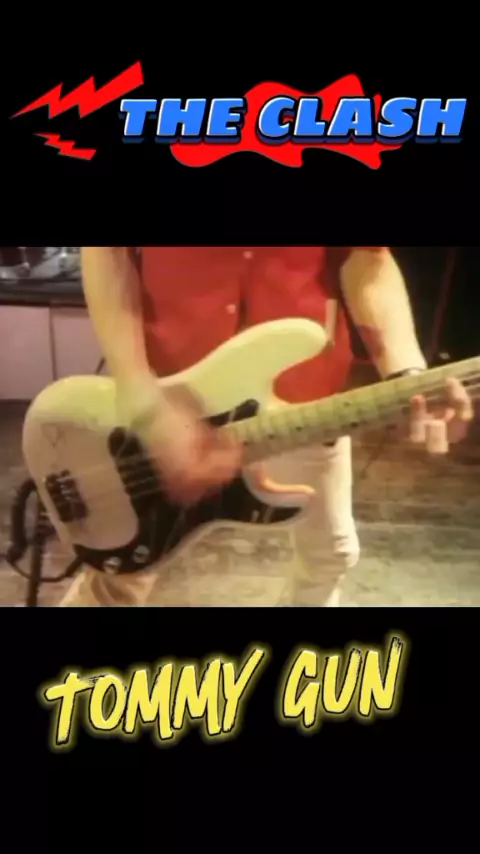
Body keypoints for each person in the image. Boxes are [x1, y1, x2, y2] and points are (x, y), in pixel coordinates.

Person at [60, 247, 473, 607]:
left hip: (302, 397)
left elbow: (366, 256)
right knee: (123, 572)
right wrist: (140, 394)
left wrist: (406, 374)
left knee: (330, 553)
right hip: (173, 394)